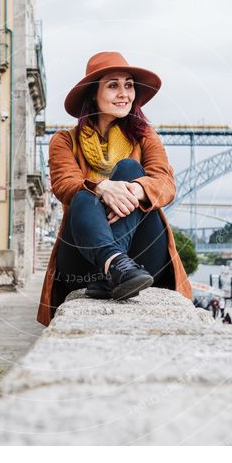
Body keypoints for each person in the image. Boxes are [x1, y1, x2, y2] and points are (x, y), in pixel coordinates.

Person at [37, 52, 193, 326]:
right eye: (113, 85)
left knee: (130, 170)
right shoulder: (64, 141)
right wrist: (103, 187)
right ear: (92, 94)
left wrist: (134, 189)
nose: (124, 94)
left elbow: (165, 184)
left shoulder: (145, 138)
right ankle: (113, 263)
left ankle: (116, 268)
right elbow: (63, 184)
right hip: (84, 261)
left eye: (129, 85)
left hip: (141, 263)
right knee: (84, 194)